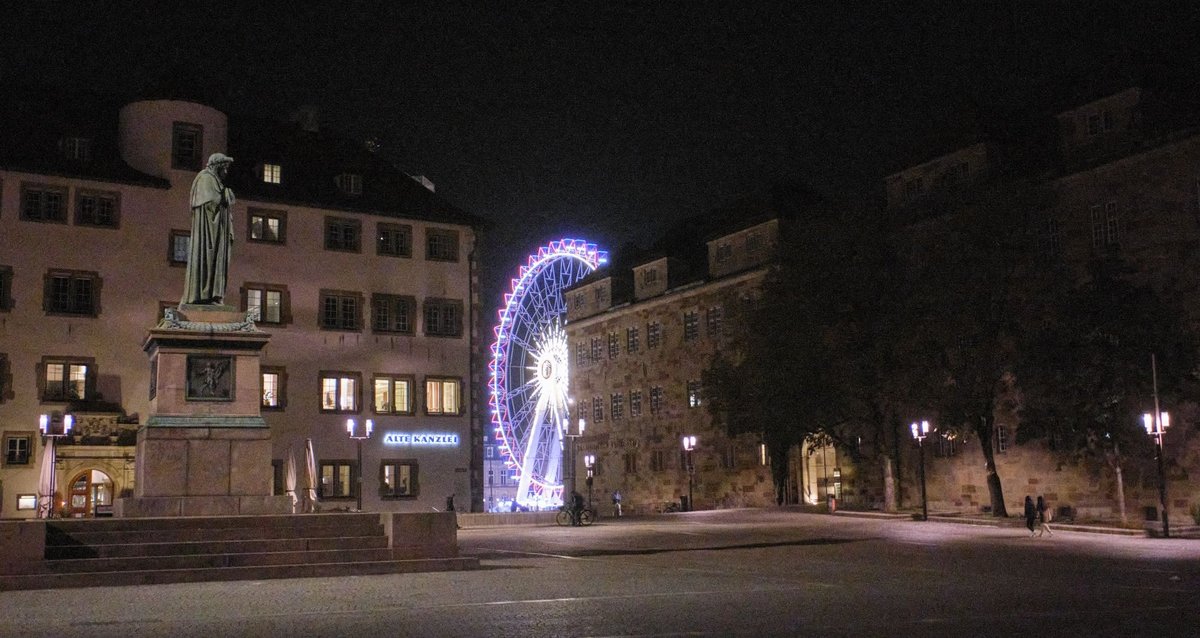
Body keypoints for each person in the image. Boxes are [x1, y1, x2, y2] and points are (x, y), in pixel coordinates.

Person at [181, 153, 236, 306]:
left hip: (216, 234)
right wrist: (225, 196)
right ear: (218, 166)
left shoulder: (215, 181)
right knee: (207, 262)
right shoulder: (205, 179)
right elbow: (209, 204)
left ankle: (213, 295)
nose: (226, 172)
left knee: (216, 262)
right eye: (224, 168)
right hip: (209, 236)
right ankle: (204, 295)